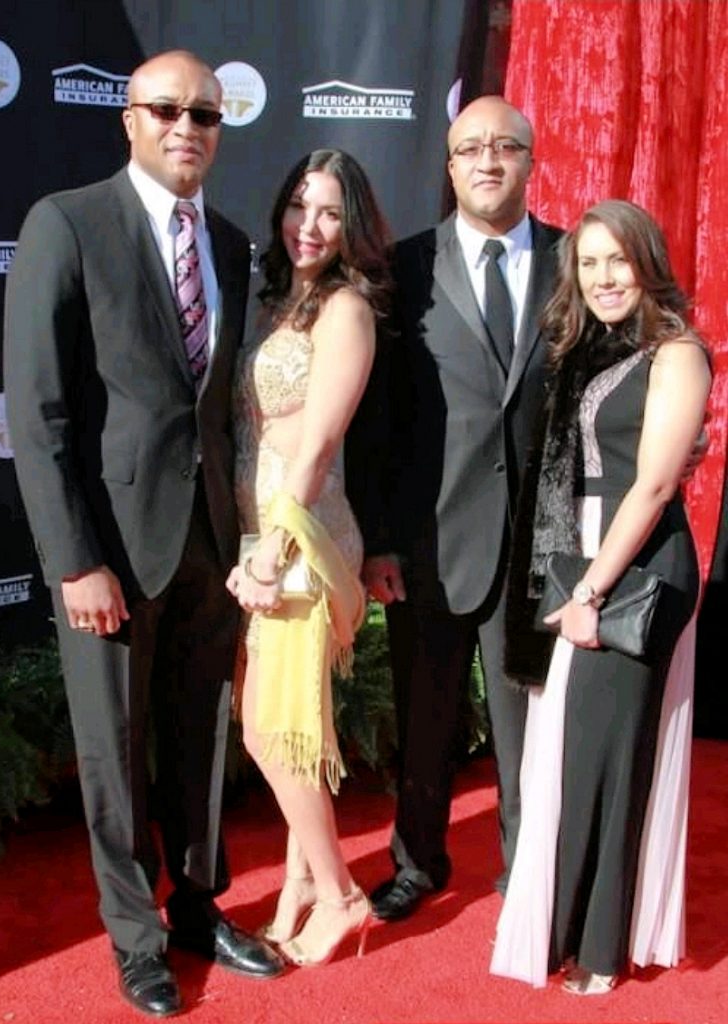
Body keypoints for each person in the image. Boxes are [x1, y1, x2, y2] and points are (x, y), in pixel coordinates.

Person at [3, 50, 284, 1018]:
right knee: (115, 754)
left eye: (205, 115)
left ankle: (199, 909)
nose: (187, 128)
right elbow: (38, 416)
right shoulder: (67, 223)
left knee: (201, 739)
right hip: (111, 553)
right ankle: (134, 940)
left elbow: (230, 415)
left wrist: (251, 533)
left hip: (210, 541)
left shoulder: (234, 241)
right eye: (166, 109)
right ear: (128, 119)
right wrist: (73, 559)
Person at [490, 199, 711, 993]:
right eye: (588, 263)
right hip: (585, 560)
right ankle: (566, 930)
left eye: (618, 259)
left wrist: (589, 588)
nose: (604, 277)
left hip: (638, 570)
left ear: (648, 261)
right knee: (573, 756)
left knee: (608, 762)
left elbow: (652, 486)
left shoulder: (677, 352)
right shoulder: (588, 349)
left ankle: (601, 950)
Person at [362, 96, 563, 920]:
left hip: (541, 547)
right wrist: (378, 541)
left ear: (529, 160)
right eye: (470, 149)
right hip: (430, 540)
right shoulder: (405, 269)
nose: (488, 161)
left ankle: (529, 875)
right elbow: (377, 420)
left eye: (505, 147)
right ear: (449, 168)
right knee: (425, 720)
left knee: (527, 734)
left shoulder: (577, 259)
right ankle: (417, 863)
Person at [225, 149, 392, 967]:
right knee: (288, 727)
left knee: (270, 727)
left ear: (352, 223)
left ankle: (340, 895)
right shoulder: (284, 302)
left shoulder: (346, 311)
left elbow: (318, 445)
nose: (309, 225)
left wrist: (271, 555)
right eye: (299, 204)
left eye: (329, 211)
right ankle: (297, 889)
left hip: (307, 538)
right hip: (270, 537)